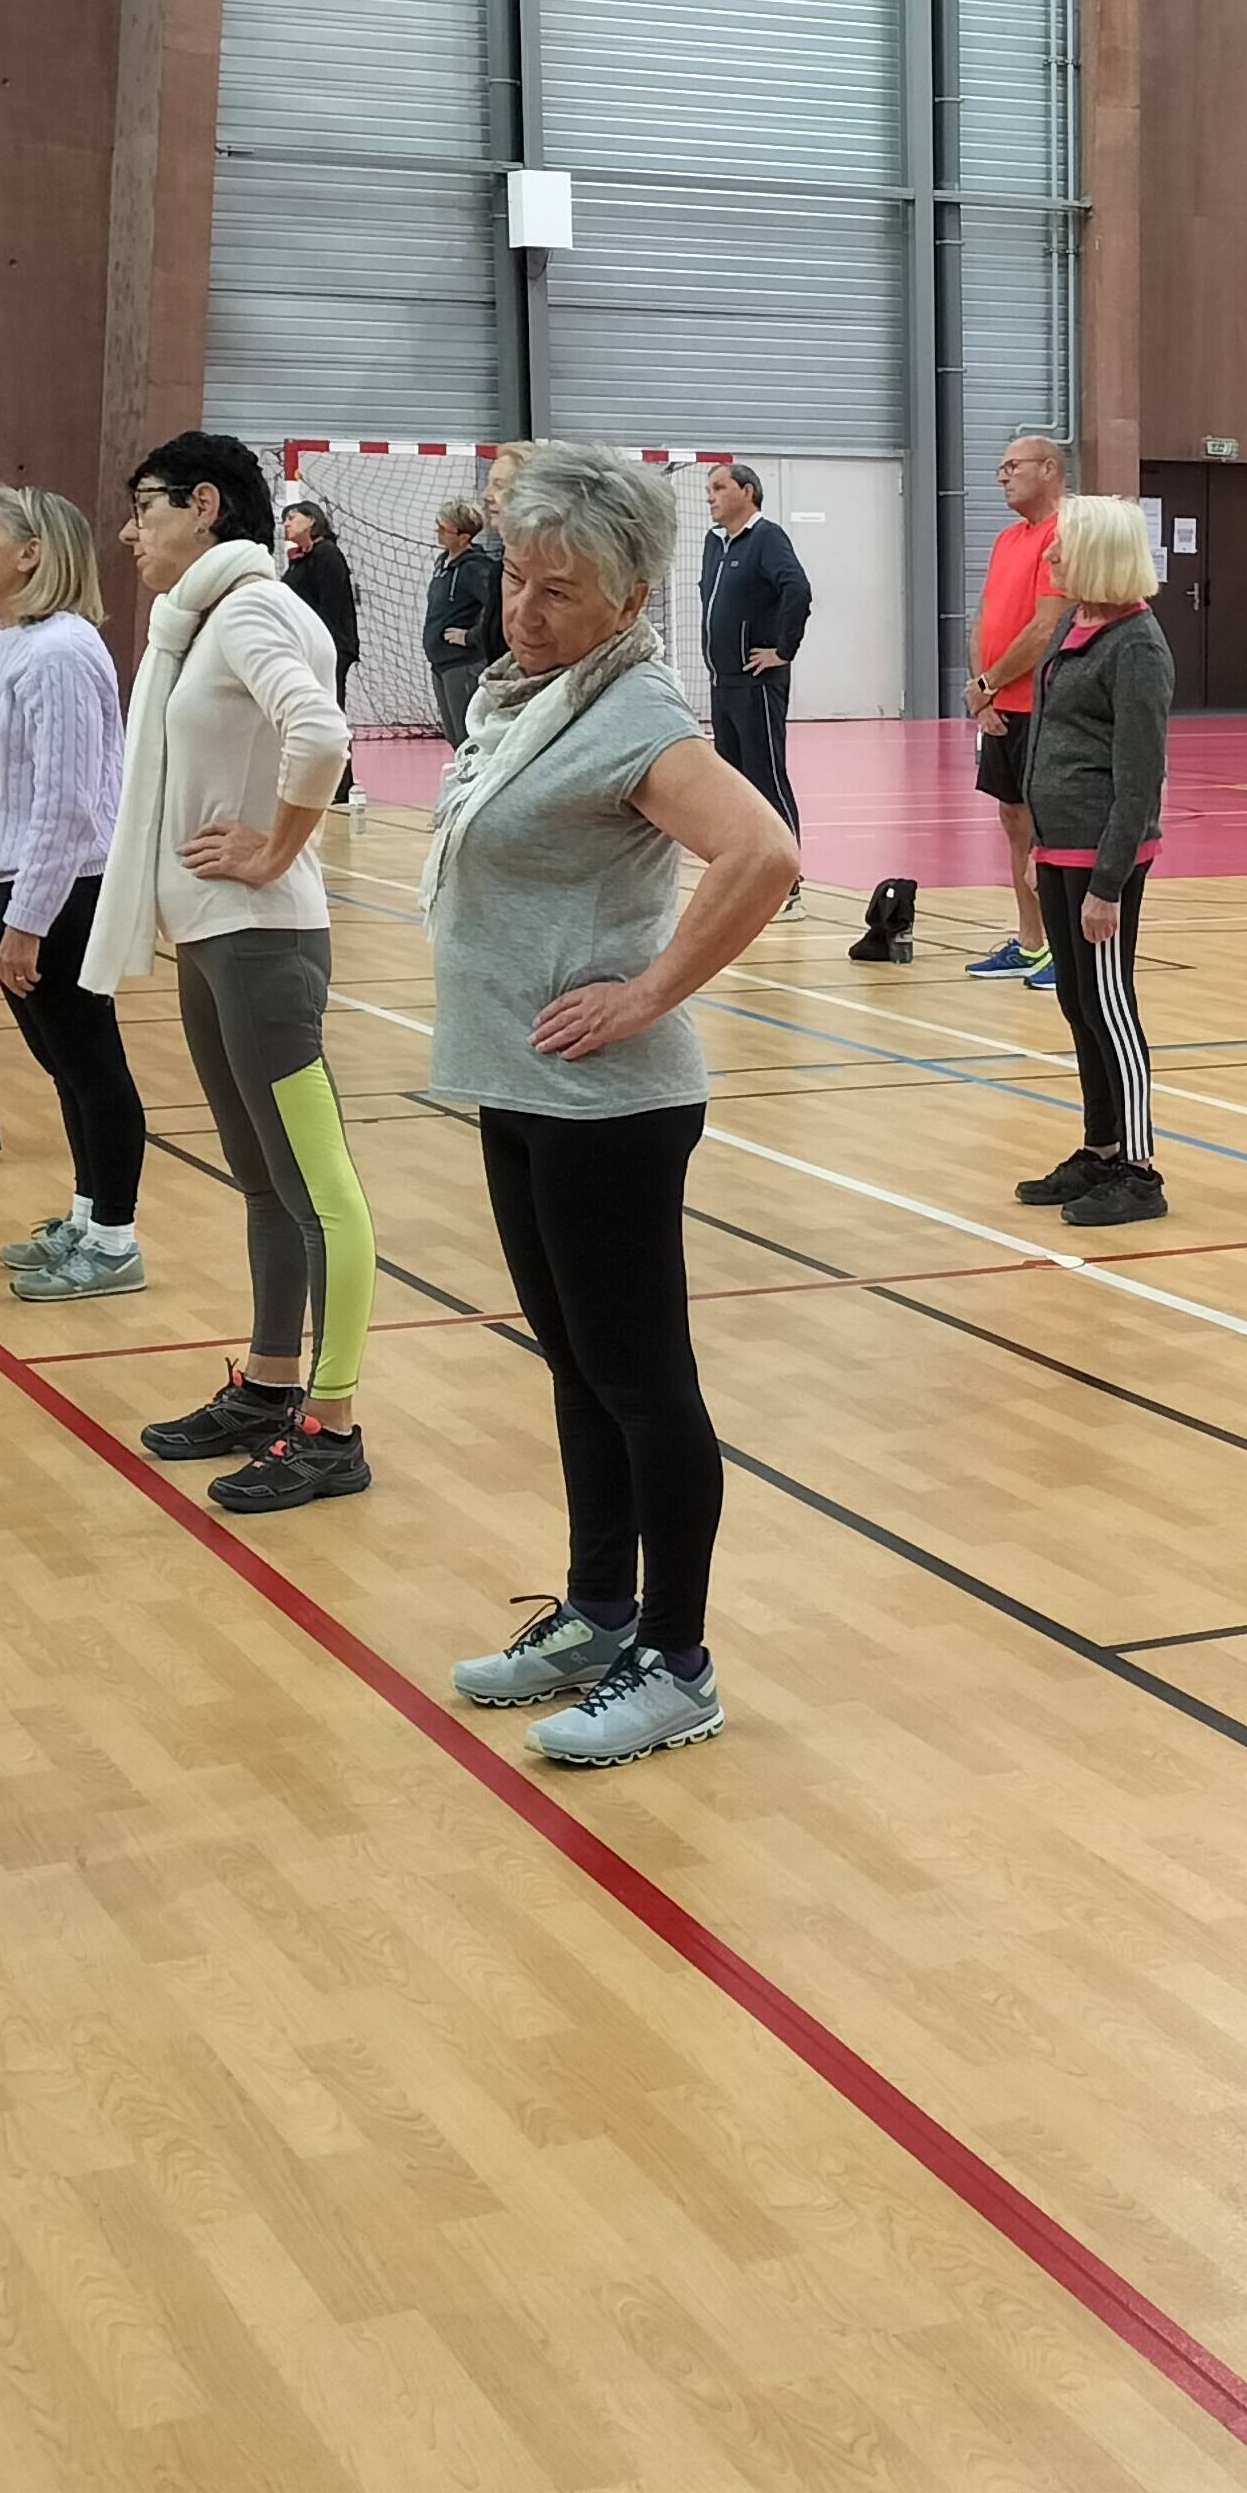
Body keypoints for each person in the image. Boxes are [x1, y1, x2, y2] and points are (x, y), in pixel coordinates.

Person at [431, 445, 800, 1764]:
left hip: (608, 1106)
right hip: (521, 1082)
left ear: (632, 599)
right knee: (578, 1370)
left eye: (557, 593)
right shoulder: (533, 694)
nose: (521, 612)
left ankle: (678, 1660)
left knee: (645, 1384)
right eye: (516, 580)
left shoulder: (635, 715)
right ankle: (597, 1612)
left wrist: (644, 995)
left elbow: (764, 853)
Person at [84, 432, 381, 1512]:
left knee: (320, 1198)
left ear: (206, 504)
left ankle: (332, 1429)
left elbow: (321, 734)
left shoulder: (251, 609)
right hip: (214, 937)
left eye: (146, 507)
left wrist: (276, 846)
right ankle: (268, 1386)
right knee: (263, 1186)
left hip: (264, 942)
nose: (130, 530)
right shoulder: (203, 621)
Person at [0, 487, 148, 1297]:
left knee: (92, 1065)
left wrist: (27, 920)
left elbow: (69, 806)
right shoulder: (18, 642)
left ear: (32, 553)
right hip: (19, 884)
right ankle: (86, 1215)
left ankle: (114, 1242)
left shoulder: (63, 651)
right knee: (66, 1068)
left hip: (64, 893)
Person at [1012, 496, 1176, 1226]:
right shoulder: (1076, 626)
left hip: (1103, 856)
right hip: (1059, 845)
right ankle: (1100, 1147)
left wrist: (1107, 883)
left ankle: (1139, 1170)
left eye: (1063, 548)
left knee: (1110, 1008)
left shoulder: (1137, 645)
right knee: (1077, 1002)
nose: (1050, 558)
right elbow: (1048, 734)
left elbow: (1139, 775)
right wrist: (1037, 845)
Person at [961, 432, 1073, 982]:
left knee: (1052, 828)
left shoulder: (1066, 536)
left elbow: (1046, 627)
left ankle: (1064, 945)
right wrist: (981, 692)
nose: (1003, 476)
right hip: (1002, 705)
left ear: (1048, 469)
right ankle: (1032, 943)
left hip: (1047, 707)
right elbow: (984, 618)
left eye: (1013, 466)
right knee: (1014, 821)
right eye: (1000, 468)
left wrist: (990, 680)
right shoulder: (1007, 539)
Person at [697, 461, 811, 844]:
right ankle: (747, 866)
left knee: (765, 777)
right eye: (709, 489)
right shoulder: (714, 542)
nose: (710, 496)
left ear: (747, 492)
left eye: (719, 487)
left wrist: (783, 650)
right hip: (722, 683)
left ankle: (789, 873)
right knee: (733, 782)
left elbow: (798, 589)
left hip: (755, 683)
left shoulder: (767, 538)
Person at [282, 500, 363, 806]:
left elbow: (330, 608)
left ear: (312, 520)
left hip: (329, 650)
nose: (286, 524)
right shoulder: (300, 560)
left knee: (330, 713)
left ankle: (341, 788)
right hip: (309, 649)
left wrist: (319, 649)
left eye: (293, 517)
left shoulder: (327, 555)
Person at [424, 498, 503, 746]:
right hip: (439, 662)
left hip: (463, 663)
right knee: (452, 734)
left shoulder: (476, 569)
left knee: (466, 734)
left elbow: (498, 610)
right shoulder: (443, 563)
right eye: (439, 526)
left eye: (445, 529)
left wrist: (470, 636)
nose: (439, 533)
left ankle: (476, 781)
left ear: (464, 537)